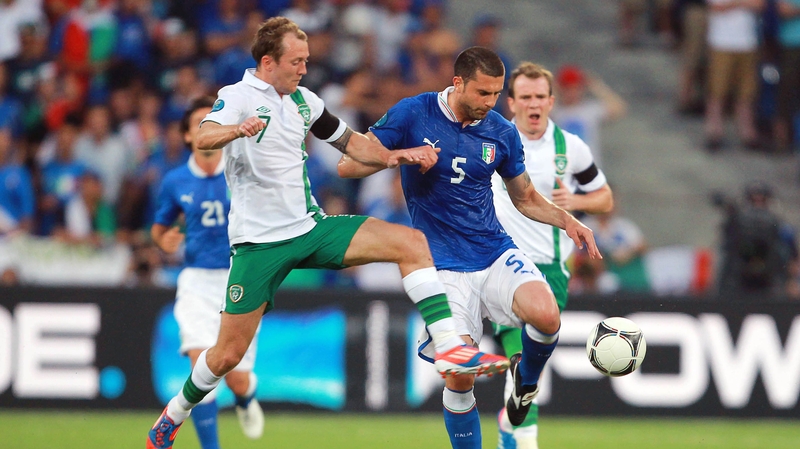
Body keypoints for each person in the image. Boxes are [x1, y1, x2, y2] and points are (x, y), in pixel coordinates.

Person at [145, 17, 509, 449]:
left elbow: (354, 145)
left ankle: (448, 344)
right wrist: (235, 130)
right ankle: (174, 414)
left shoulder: (305, 102)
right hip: (258, 246)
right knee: (226, 356)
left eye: (306, 60)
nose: (303, 68)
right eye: (296, 61)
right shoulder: (236, 97)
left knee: (410, 242)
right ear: (268, 61)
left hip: (310, 228)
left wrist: (399, 155)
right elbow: (205, 136)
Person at [337, 47, 602, 449]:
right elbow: (349, 165)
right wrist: (399, 156)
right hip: (441, 264)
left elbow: (525, 196)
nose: (490, 103)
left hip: (493, 250)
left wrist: (569, 221)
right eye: (482, 93)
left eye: (496, 94)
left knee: (547, 315)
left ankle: (524, 387)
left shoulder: (500, 131)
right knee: (460, 375)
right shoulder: (414, 112)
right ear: (457, 81)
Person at [489, 62, 614, 449]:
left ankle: (509, 427)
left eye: (540, 96)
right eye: (524, 96)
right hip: (501, 262)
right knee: (521, 367)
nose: (533, 104)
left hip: (552, 269)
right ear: (510, 102)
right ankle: (525, 440)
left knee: (526, 374)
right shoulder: (492, 136)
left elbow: (605, 198)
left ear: (551, 101)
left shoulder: (569, 147)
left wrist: (575, 200)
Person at [150, 96, 265, 449]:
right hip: (197, 280)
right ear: (188, 136)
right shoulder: (175, 181)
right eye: (200, 124)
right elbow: (160, 228)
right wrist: (163, 240)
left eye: (213, 121)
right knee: (203, 370)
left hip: (239, 277)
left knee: (237, 380)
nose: (208, 128)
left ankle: (246, 399)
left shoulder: (243, 169)